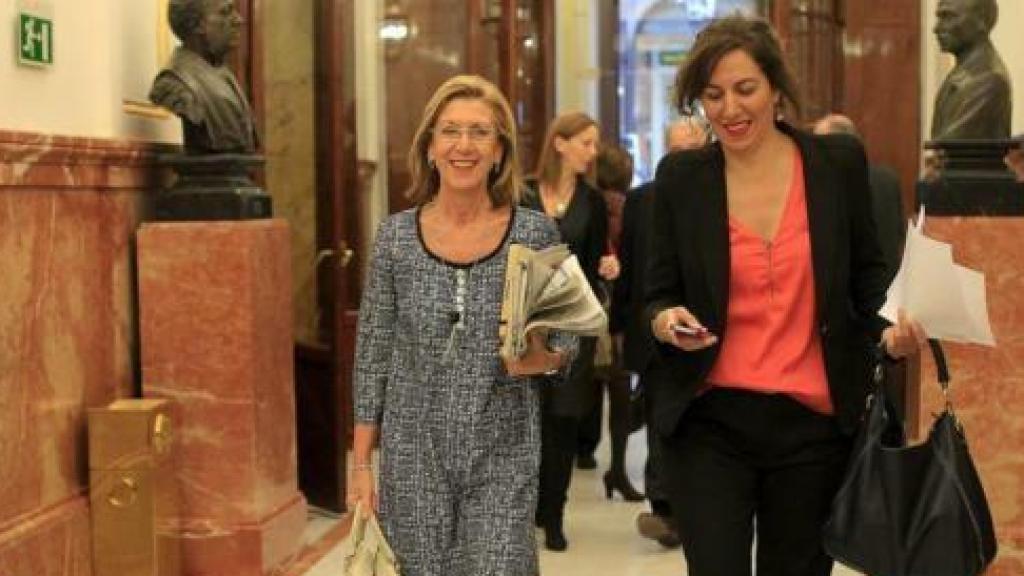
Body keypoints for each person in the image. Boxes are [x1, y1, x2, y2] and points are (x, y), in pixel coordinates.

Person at [644, 16, 925, 575]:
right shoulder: (681, 178)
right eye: (713, 95)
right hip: (709, 421)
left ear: (775, 88)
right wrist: (664, 320)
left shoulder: (836, 165)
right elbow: (653, 295)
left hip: (812, 427)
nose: (729, 109)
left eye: (744, 89)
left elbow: (868, 280)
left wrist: (889, 331)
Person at [348, 75, 576, 576]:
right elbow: (373, 353)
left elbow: (568, 336)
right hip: (413, 454)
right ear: (430, 147)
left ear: (500, 152)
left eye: (480, 132)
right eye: (450, 131)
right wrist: (362, 464)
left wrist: (546, 358)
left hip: (503, 448)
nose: (464, 146)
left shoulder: (535, 232)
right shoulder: (395, 239)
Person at [612, 117, 708, 549]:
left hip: (706, 334)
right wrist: (619, 327)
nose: (685, 159)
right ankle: (664, 507)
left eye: (693, 149)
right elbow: (631, 270)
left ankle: (693, 506)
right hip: (655, 333)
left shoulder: (719, 196)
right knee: (659, 420)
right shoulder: (641, 200)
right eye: (677, 151)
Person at [521, 111, 614, 551]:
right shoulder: (521, 194)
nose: (592, 152)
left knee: (561, 418)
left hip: (573, 323)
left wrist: (607, 271)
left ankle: (554, 515)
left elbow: (596, 264)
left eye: (594, 144)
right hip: (525, 320)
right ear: (559, 143)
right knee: (525, 418)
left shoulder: (593, 202)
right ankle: (527, 509)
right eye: (586, 142)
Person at [578, 142, 643, 503]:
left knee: (583, 385)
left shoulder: (585, 203)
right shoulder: (629, 206)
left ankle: (583, 450)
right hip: (615, 311)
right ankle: (617, 468)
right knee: (619, 391)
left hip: (585, 307)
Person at [150, 0, 258, 154]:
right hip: (207, 174)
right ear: (198, 25)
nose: (239, 20)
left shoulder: (222, 73)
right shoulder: (175, 81)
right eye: (225, 12)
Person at [930, 0, 1010, 140]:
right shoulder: (964, 74)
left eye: (948, 17)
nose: (936, 28)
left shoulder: (987, 81)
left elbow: (950, 146)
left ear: (981, 20)